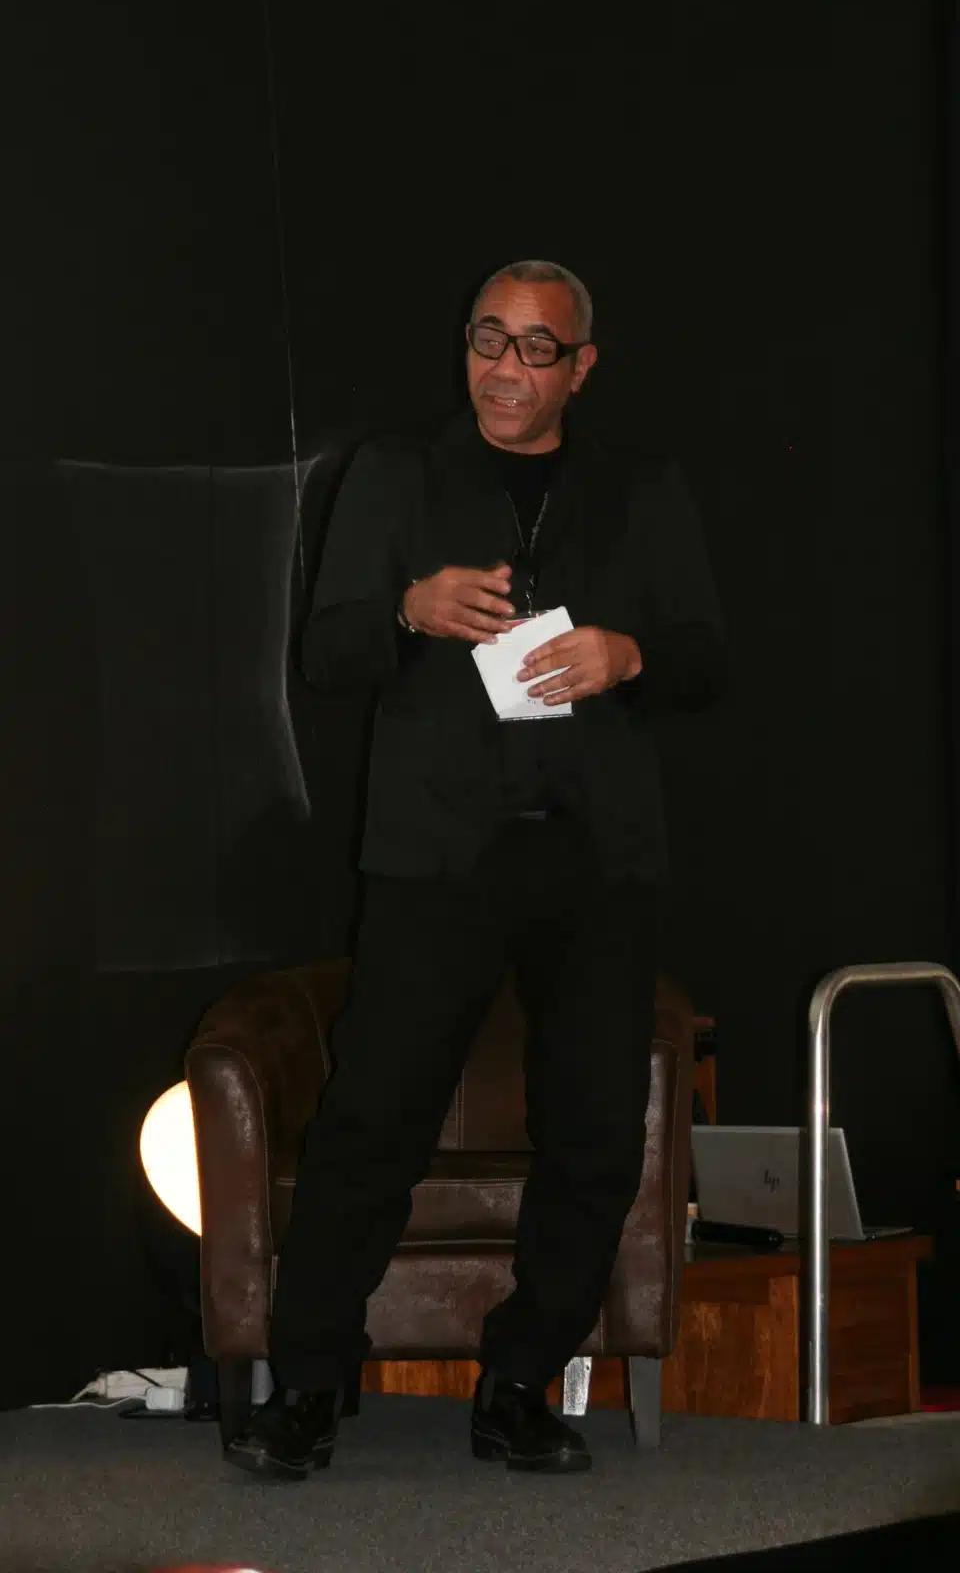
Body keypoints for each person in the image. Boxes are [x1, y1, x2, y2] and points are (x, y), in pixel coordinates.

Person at [224, 259, 726, 1481]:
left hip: (596, 857)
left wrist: (625, 655)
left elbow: (705, 660)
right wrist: (409, 607)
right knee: (372, 1116)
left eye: (535, 348)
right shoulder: (394, 474)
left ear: (582, 367)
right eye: (488, 339)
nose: (505, 368)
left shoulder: (642, 488)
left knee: (597, 1132)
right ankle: (309, 1384)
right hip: (438, 854)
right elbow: (327, 653)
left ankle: (518, 1383)